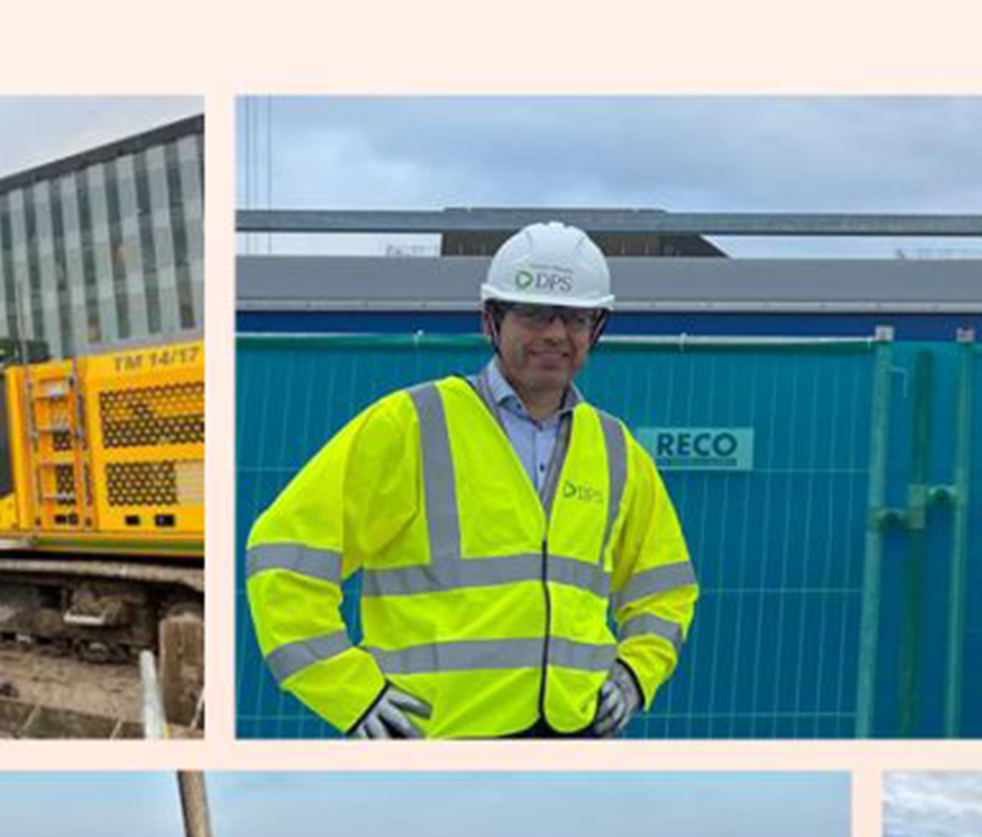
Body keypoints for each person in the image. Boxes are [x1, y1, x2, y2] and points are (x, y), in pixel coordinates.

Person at [246, 222, 698, 738]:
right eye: (531, 314)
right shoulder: (411, 425)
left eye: (574, 317)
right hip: (436, 733)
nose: (554, 333)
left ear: (596, 328)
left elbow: (665, 587)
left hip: (573, 731)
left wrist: (637, 673)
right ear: (491, 320)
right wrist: (349, 691)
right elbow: (284, 555)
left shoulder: (618, 451)